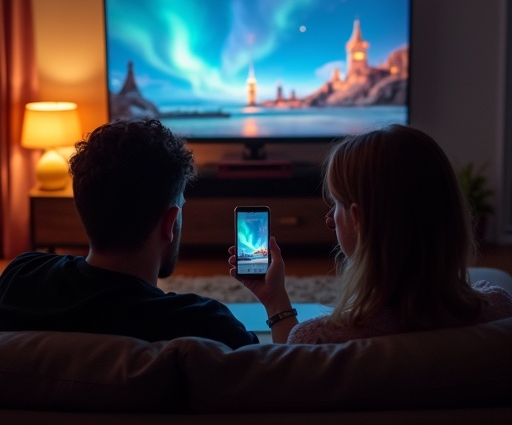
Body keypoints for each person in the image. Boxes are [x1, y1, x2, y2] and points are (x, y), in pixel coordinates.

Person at [229, 124, 512, 343]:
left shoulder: (320, 339)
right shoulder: (499, 309)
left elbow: (291, 368)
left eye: (337, 204)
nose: (330, 219)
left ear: (358, 218)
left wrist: (276, 300)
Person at [0, 118, 258, 349]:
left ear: (84, 205)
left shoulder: (21, 276)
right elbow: (277, 372)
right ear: (170, 222)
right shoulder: (206, 325)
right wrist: (276, 301)